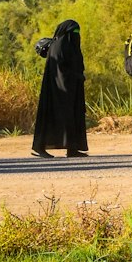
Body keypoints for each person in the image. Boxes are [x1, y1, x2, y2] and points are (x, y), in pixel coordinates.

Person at [32, 19, 88, 158]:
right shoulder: (59, 47)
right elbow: (60, 72)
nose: (76, 35)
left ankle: (72, 148)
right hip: (58, 91)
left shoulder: (68, 46)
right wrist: (73, 79)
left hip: (71, 90)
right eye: (74, 32)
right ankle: (40, 147)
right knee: (53, 117)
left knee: (72, 116)